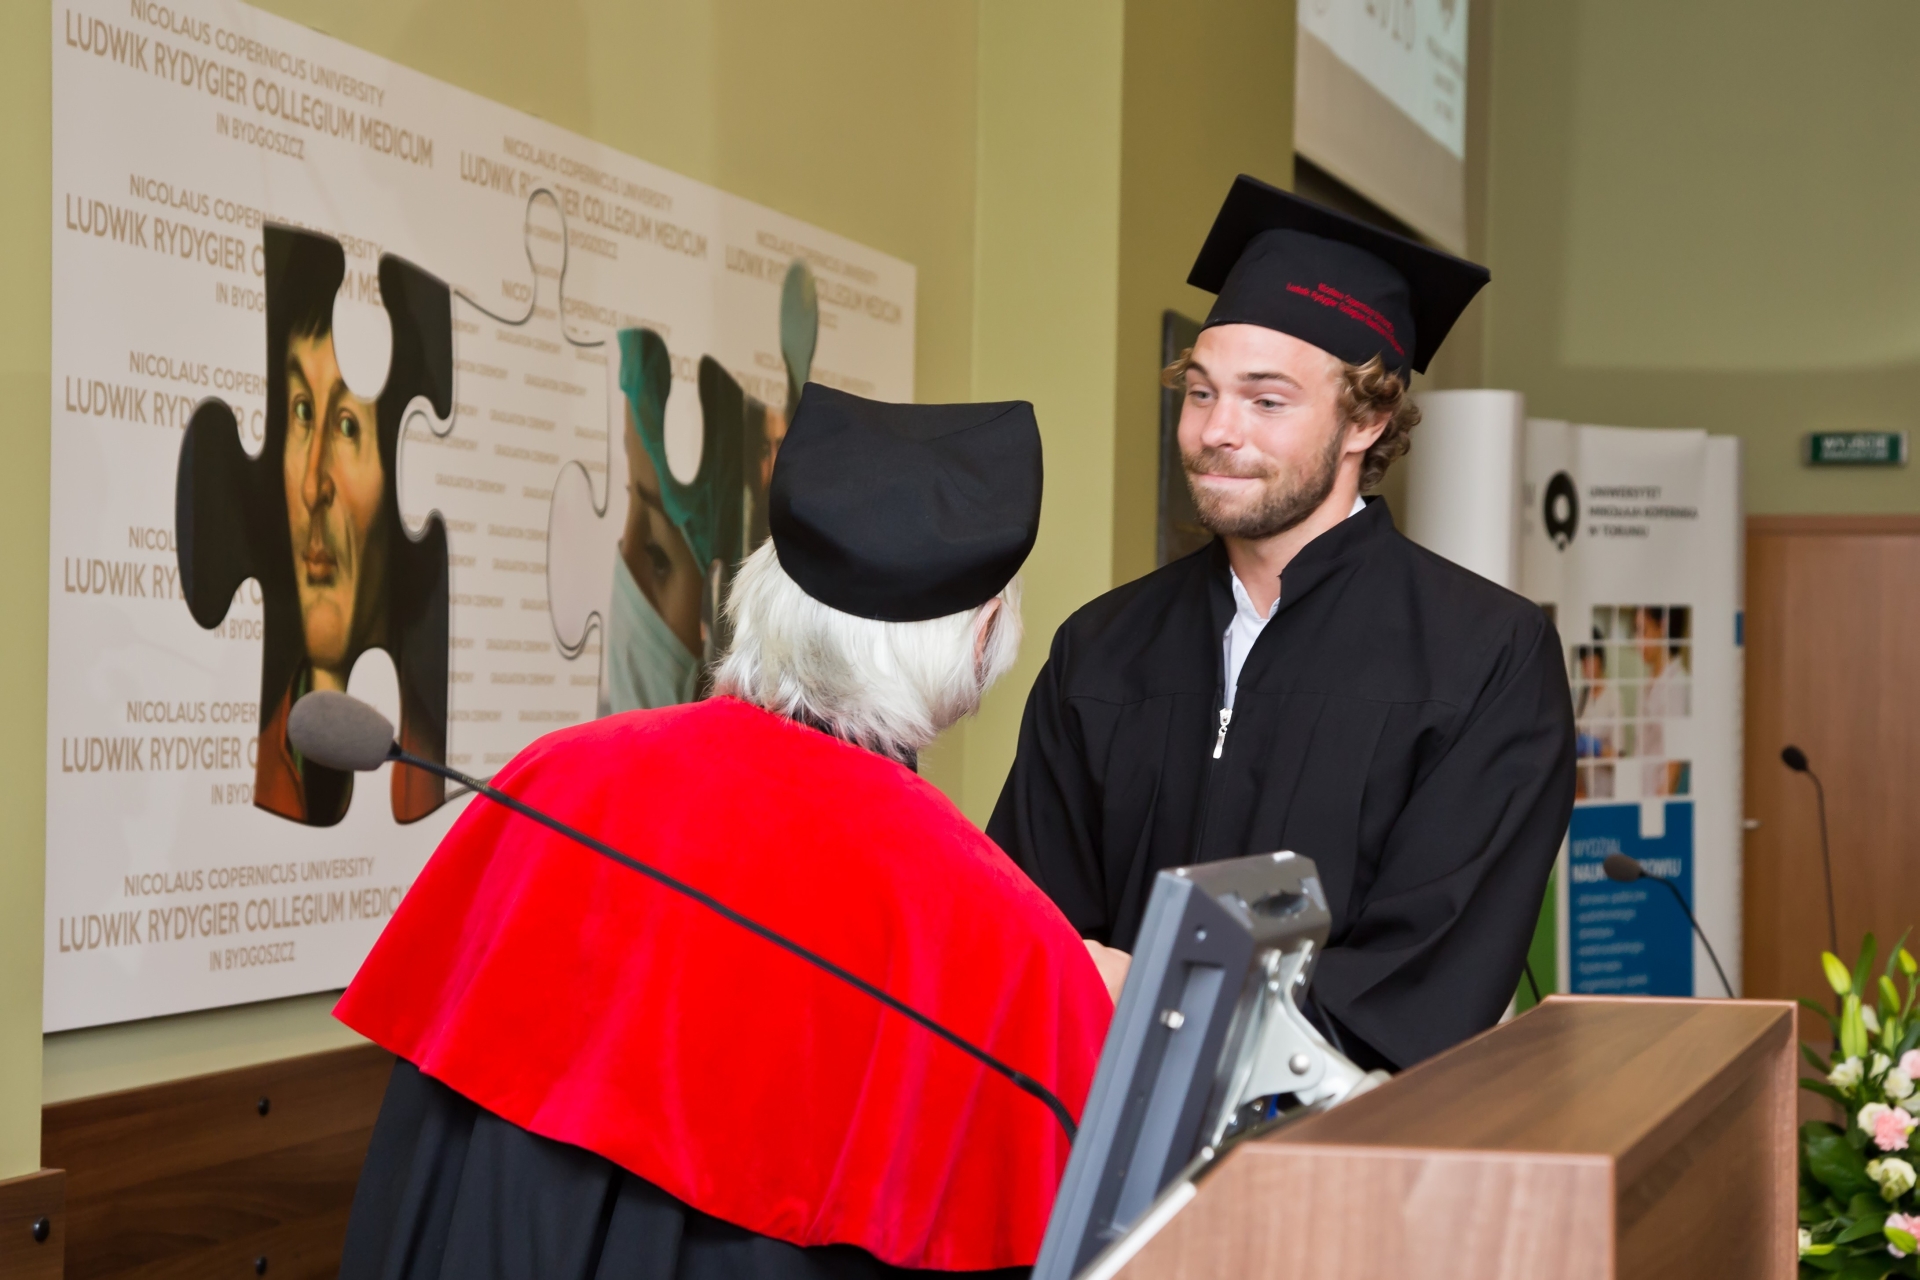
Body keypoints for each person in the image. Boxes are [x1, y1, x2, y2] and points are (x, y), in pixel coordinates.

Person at [333, 384, 1113, 1278]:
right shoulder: (1005, 934)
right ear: (980, 642)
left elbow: (420, 1178)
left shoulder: (553, 782)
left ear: (760, 590)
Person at [989, 175, 1576, 1072]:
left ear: (1366, 419)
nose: (1216, 431)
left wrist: (1154, 998)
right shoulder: (1103, 649)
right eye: (1200, 393)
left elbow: (1427, 983)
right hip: (1095, 1131)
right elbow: (1029, 929)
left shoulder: (1484, 657)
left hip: (1345, 1143)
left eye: (1266, 401)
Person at [254, 233, 444, 825]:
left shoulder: (435, 780)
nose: (313, 485)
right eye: (301, 412)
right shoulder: (263, 759)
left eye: (346, 425)